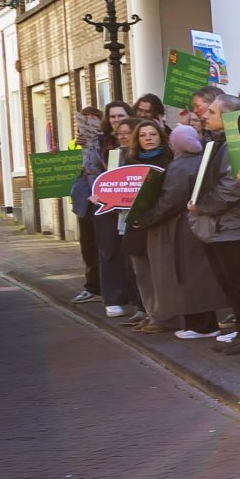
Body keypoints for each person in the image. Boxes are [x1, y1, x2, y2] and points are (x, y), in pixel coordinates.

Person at [186, 87, 240, 356]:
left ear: (228, 118)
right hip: (221, 228)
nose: (205, 116)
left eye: (212, 112)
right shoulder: (218, 142)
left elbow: (231, 187)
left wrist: (202, 208)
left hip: (236, 228)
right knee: (232, 283)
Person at [123, 116, 224, 337]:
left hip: (180, 228)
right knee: (199, 275)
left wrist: (148, 217)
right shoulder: (202, 160)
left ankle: (200, 326)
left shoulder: (180, 166)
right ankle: (202, 323)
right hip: (196, 224)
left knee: (187, 277)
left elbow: (170, 200)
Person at [94, 112, 141, 323]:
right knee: (120, 256)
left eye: (127, 133)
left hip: (137, 215)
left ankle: (142, 303)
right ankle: (131, 301)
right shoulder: (114, 155)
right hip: (117, 214)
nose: (122, 137)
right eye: (119, 133)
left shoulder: (140, 157)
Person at [72, 106, 105, 303]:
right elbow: (68, 166)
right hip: (85, 199)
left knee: (105, 244)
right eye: (86, 120)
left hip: (102, 197)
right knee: (88, 244)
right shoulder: (76, 142)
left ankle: (107, 286)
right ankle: (92, 286)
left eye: (93, 120)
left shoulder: (106, 141)